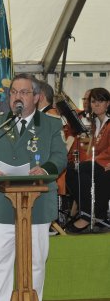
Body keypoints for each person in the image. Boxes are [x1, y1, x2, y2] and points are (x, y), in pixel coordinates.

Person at [0, 73, 67, 301]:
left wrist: (45, 169)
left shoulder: (51, 124)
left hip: (37, 203)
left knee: (35, 262)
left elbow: (59, 156)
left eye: (24, 92)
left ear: (36, 97)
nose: (17, 97)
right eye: (14, 92)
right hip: (2, 202)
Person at [65, 87, 110, 233]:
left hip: (106, 164)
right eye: (93, 101)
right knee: (71, 170)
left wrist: (97, 160)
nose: (96, 104)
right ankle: (89, 214)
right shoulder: (95, 123)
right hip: (99, 163)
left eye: (100, 101)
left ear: (108, 103)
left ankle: (90, 216)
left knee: (82, 169)